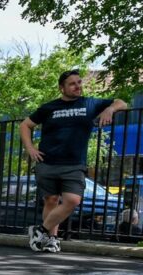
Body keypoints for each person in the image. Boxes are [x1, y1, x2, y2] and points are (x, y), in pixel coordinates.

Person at [20, 69, 127, 252]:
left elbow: (122, 103)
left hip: (74, 164)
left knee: (73, 200)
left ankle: (40, 231)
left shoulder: (90, 103)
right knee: (51, 201)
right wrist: (30, 148)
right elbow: (25, 125)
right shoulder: (49, 107)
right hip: (47, 161)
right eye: (72, 83)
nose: (77, 86)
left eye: (79, 82)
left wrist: (109, 108)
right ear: (62, 88)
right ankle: (52, 239)